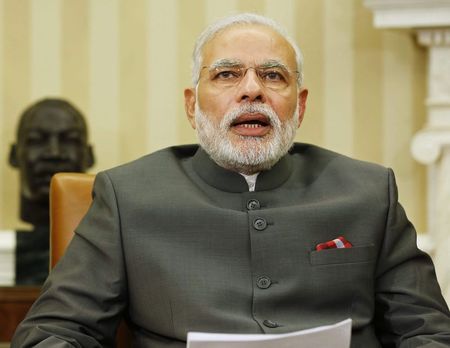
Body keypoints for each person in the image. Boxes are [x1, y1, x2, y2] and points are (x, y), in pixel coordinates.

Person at [12, 13, 450, 347]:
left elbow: (427, 331)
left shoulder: (369, 192)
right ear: (192, 105)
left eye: (273, 75)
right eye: (227, 74)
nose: (252, 89)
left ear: (299, 106)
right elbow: (53, 330)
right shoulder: (126, 197)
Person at [8, 98, 94, 284]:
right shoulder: (7, 254)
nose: (54, 153)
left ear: (89, 156)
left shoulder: (105, 252)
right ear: (14, 155)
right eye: (36, 140)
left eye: (69, 140)